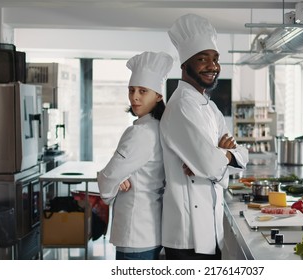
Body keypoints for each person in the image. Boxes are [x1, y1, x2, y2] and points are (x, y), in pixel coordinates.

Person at [160, 14, 249, 260]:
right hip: (186, 233)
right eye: (202, 59)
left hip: (210, 227)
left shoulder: (210, 107)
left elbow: (242, 155)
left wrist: (220, 154)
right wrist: (217, 161)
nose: (212, 66)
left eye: (215, 59)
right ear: (184, 65)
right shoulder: (180, 107)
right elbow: (210, 166)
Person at [97, 51, 173, 260]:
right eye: (131, 90)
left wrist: (111, 183)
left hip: (134, 232)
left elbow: (107, 179)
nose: (134, 97)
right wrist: (118, 178)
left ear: (158, 96)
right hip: (149, 228)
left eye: (142, 91)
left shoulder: (140, 133)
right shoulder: (159, 127)